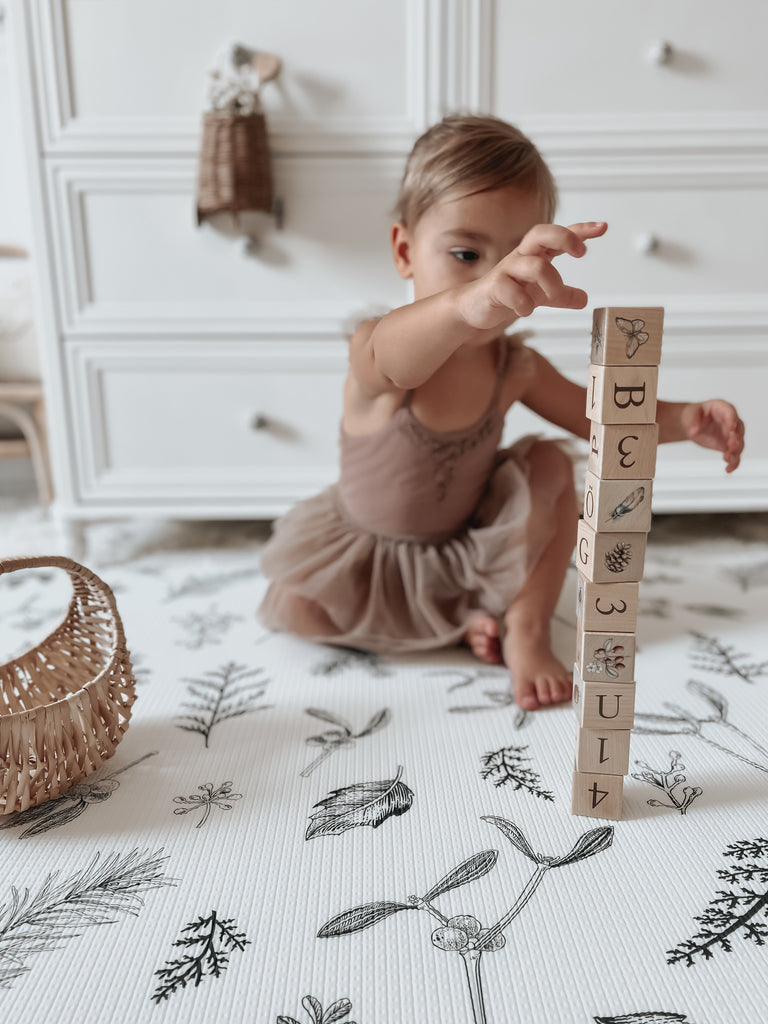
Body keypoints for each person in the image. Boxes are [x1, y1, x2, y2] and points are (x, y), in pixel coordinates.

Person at [258, 114, 745, 711]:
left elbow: (599, 418)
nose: (494, 281)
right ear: (405, 251)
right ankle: (464, 622)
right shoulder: (380, 349)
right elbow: (390, 360)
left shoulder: (514, 365)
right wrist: (465, 305)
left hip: (466, 550)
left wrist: (686, 420)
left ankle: (524, 627)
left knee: (549, 464)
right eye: (466, 254)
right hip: (370, 560)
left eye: (514, 259)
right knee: (302, 609)